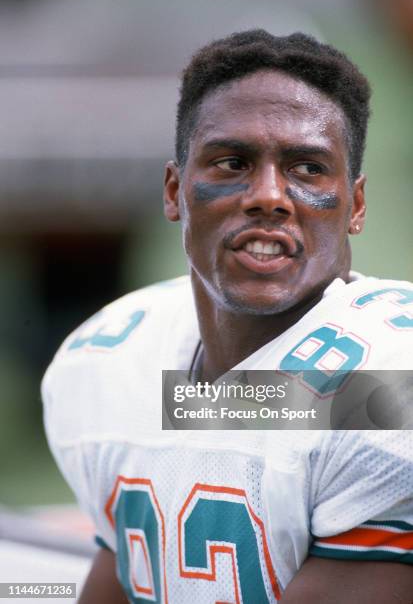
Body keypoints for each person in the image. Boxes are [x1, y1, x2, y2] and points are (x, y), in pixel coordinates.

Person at [42, 30, 413, 603]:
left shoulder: (388, 386)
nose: (268, 195)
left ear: (356, 204)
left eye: (308, 168)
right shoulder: (114, 358)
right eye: (232, 162)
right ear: (175, 191)